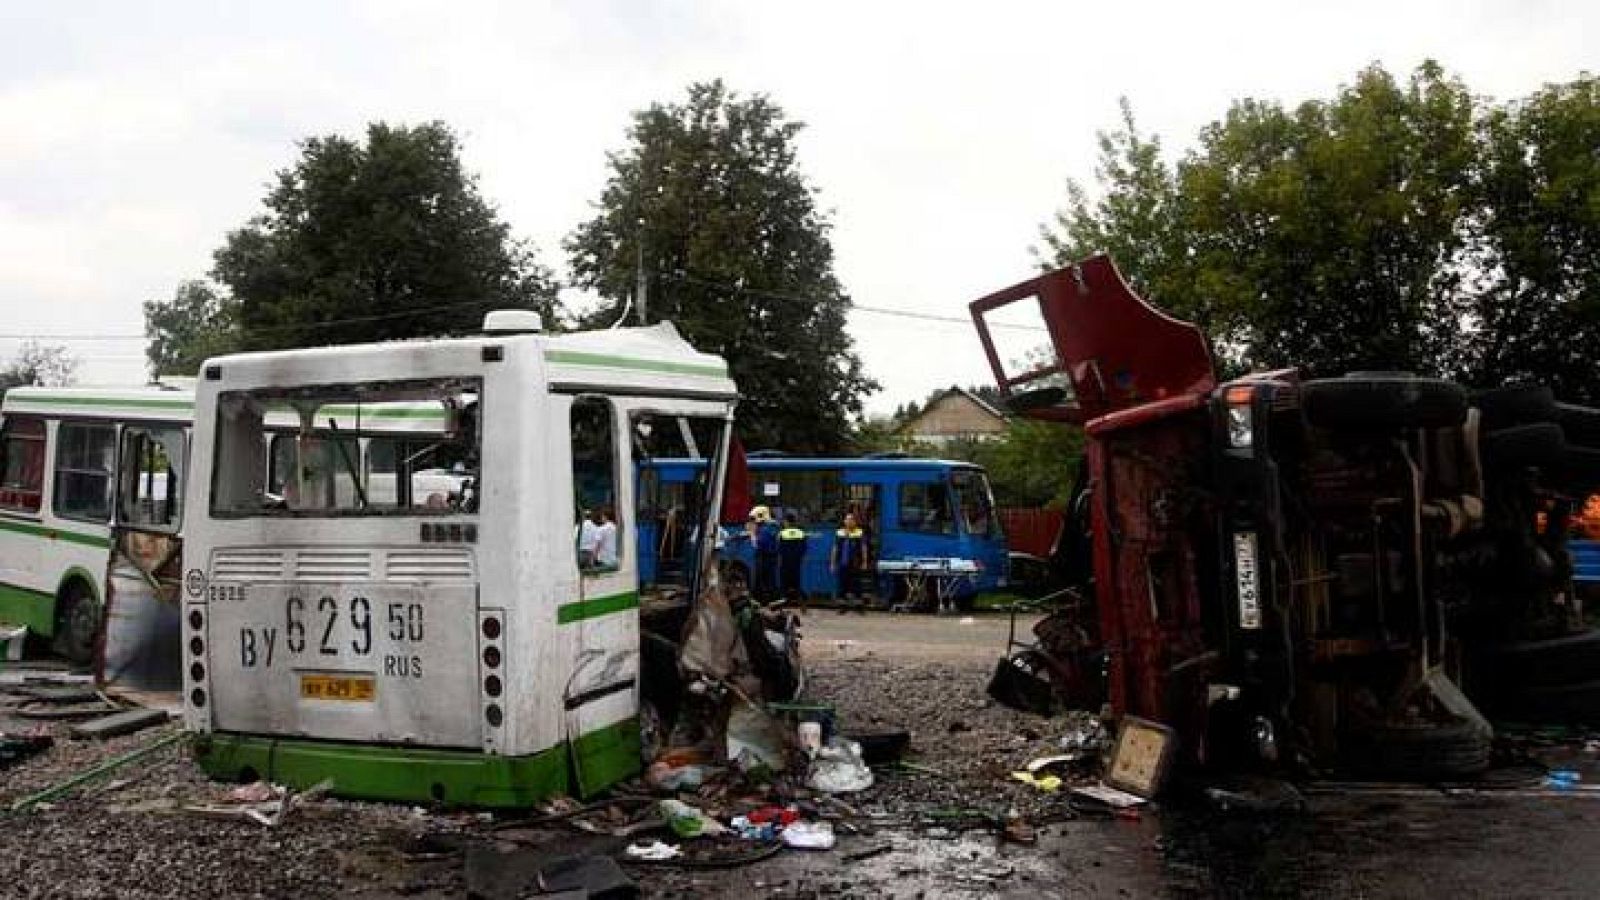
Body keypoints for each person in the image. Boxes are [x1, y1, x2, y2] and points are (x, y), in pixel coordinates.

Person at [830, 511, 870, 613]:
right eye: (847, 519)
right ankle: (842, 607)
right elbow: (835, 548)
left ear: (855, 522)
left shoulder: (859, 532)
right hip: (842, 563)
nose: (849, 521)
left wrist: (865, 562)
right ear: (844, 521)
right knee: (842, 585)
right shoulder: (839, 533)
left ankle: (859, 607)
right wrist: (833, 563)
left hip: (855, 563)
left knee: (856, 585)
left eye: (851, 520)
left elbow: (863, 548)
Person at [749, 505, 780, 604]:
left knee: (760, 583)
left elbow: (758, 545)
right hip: (771, 558)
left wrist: (752, 534)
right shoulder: (773, 526)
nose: (753, 521)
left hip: (764, 558)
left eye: (753, 519)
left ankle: (761, 603)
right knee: (770, 582)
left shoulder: (764, 530)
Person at [778, 512, 808, 611]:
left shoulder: (782, 533)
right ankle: (802, 605)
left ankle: (782, 606)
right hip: (796, 563)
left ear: (787, 522)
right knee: (796, 585)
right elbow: (803, 549)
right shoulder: (801, 533)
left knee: (784, 585)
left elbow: (779, 549)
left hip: (785, 562)